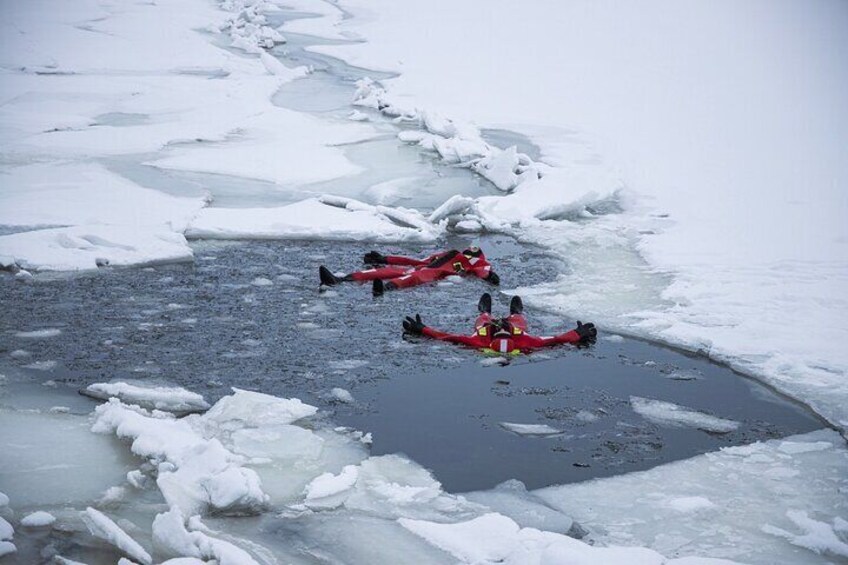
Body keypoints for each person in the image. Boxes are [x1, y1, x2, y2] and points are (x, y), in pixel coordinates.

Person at [402, 293, 597, 355]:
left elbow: (446, 337)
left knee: (483, 322)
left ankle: (484, 311)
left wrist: (422, 329)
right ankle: (516, 313)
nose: (501, 328)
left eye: (501, 331)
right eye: (505, 331)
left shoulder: (480, 341)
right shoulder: (524, 340)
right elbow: (554, 340)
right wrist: (577, 334)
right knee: (519, 322)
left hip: (484, 331)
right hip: (517, 333)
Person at [319, 246, 500, 296]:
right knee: (385, 271)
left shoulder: (478, 262)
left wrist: (489, 276)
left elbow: (482, 270)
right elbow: (415, 261)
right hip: (423, 267)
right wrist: (385, 259)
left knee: (413, 277)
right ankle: (340, 280)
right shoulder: (447, 253)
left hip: (434, 273)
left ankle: (384, 289)